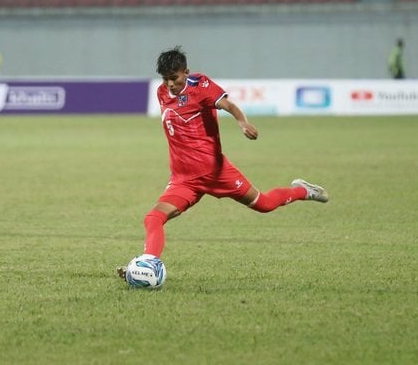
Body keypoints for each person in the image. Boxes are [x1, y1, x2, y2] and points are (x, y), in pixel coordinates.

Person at [118, 47, 328, 279]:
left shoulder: (202, 87)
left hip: (216, 173)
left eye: (174, 78)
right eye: (165, 79)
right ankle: (147, 266)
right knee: (153, 218)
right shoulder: (162, 92)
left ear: (185, 73)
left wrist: (242, 122)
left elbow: (228, 105)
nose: (170, 84)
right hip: (184, 180)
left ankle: (303, 190)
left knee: (264, 204)